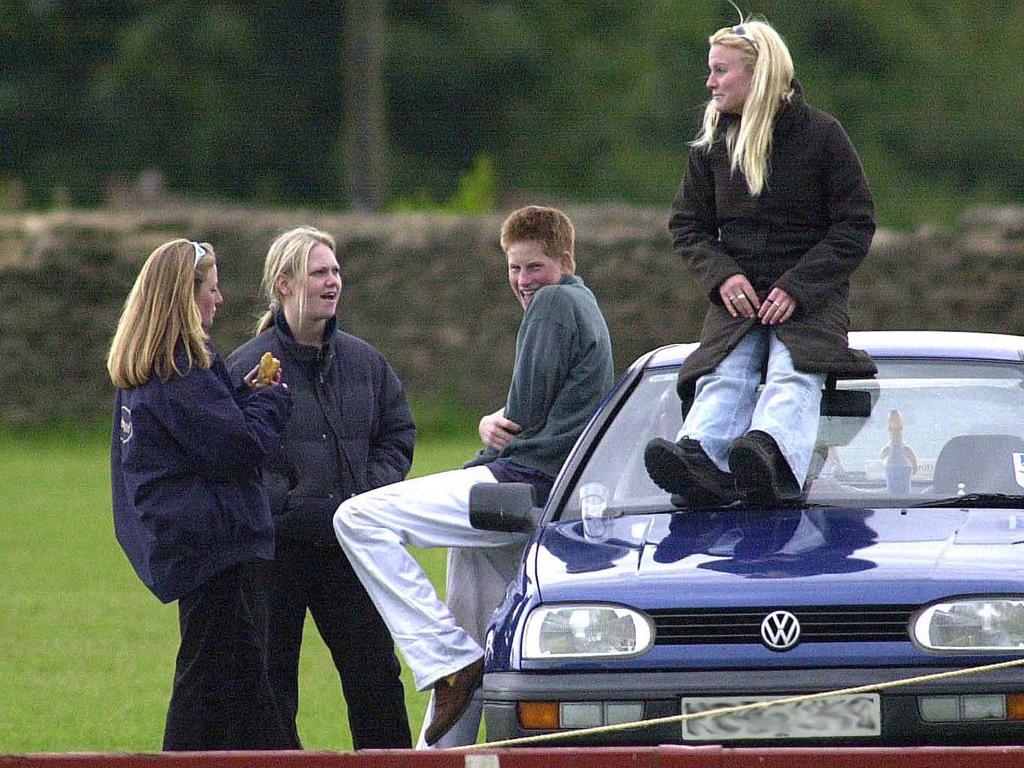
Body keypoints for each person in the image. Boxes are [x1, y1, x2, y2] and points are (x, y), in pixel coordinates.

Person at [333, 205, 614, 748]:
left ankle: (445, 660)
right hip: (543, 495)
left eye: (534, 267)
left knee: (357, 518)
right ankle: (443, 740)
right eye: (514, 269)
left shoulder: (555, 304)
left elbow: (522, 416)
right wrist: (494, 427)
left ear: (566, 260)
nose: (524, 282)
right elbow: (531, 415)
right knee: (476, 628)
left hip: (518, 486)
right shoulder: (585, 305)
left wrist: (488, 431)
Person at [644, 15, 877, 506]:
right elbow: (687, 225)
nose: (709, 83)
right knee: (726, 372)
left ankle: (767, 455)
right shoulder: (712, 146)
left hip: (810, 298)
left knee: (795, 372)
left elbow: (854, 225)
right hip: (740, 298)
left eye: (720, 71)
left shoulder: (824, 136)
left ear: (758, 74)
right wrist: (723, 276)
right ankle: (699, 458)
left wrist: (798, 287)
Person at [227, 226, 415, 749]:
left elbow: (397, 434)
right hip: (275, 554)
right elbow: (238, 454)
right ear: (284, 284)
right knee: (271, 689)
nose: (333, 281)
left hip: (350, 550)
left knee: (376, 682)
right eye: (319, 272)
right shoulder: (247, 366)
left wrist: (364, 497)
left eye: (335, 271)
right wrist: (286, 504)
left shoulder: (365, 362)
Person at [108, 239, 296, 751]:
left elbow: (212, 436)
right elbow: (242, 451)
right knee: (214, 696)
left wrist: (244, 397)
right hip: (219, 552)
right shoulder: (180, 370)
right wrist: (269, 400)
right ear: (184, 298)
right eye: (211, 290)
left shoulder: (149, 371)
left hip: (194, 547)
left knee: (240, 695)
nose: (219, 301)